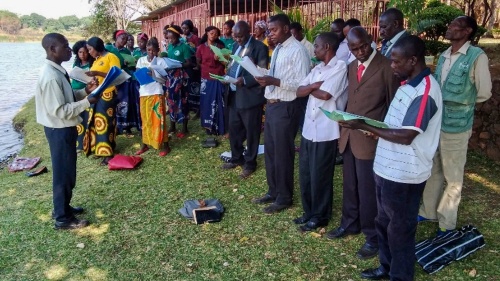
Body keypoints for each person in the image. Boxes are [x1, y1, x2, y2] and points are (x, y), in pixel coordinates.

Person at [342, 35, 442, 281]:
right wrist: (377, 130)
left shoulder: (426, 90)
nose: (392, 66)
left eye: (396, 62)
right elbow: (394, 125)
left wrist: (365, 125)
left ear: (413, 60)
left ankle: (400, 275)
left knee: (400, 230)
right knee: (383, 222)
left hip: (405, 174)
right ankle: (386, 268)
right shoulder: (406, 83)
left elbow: (407, 135)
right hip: (386, 168)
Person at [326, 27, 399, 260]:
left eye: (363, 46)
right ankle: (350, 223)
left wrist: (380, 133)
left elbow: (392, 105)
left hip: (370, 138)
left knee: (369, 191)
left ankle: (372, 236)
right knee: (350, 184)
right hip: (348, 135)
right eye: (354, 48)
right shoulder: (350, 66)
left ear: (372, 41)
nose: (359, 52)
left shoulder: (387, 66)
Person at [418, 16, 492, 235]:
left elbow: (484, 92)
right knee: (434, 169)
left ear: (467, 31)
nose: (449, 29)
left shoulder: (476, 57)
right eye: (449, 25)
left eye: (454, 26)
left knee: (453, 176)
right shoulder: (444, 56)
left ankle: (446, 223)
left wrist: (462, 104)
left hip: (457, 126)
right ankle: (428, 210)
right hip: (437, 123)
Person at [35, 33, 98, 229]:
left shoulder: (57, 71)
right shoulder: (51, 76)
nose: (70, 50)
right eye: (65, 46)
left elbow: (66, 99)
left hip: (62, 127)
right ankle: (62, 218)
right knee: (63, 174)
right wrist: (87, 102)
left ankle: (64, 207)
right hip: (59, 129)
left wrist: (83, 93)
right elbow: (60, 111)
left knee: (67, 172)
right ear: (52, 49)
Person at [254, 14, 311, 214]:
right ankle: (273, 190)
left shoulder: (298, 51)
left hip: (287, 107)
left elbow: (303, 85)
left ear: (286, 28)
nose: (270, 34)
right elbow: (277, 75)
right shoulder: (278, 48)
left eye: (274, 30)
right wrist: (262, 74)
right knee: (270, 151)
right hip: (272, 105)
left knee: (283, 153)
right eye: (269, 30)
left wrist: (275, 82)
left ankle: (284, 197)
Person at [294, 32, 348, 232]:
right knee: (306, 173)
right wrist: (312, 86)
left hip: (326, 130)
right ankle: (309, 212)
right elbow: (298, 91)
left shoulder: (340, 67)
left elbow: (326, 94)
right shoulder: (317, 68)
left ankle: (321, 215)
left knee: (321, 175)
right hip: (309, 129)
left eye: (316, 46)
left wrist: (310, 88)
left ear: (326, 47)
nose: (313, 49)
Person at [222, 21, 269, 179]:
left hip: (250, 96)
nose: (237, 39)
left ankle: (250, 163)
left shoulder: (260, 47)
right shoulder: (235, 46)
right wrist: (227, 77)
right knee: (234, 129)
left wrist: (246, 80)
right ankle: (236, 158)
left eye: (240, 36)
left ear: (249, 32)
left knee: (252, 131)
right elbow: (233, 65)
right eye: (235, 36)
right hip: (234, 94)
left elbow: (261, 73)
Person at [78, 37, 121, 165]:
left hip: (108, 93)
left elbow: (117, 75)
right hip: (97, 93)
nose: (89, 52)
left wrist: (97, 73)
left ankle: (107, 153)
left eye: (90, 49)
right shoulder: (97, 60)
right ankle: (98, 148)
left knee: (105, 121)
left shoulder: (111, 57)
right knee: (96, 121)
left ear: (97, 47)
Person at [135, 37, 171, 157]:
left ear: (158, 50)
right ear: (146, 49)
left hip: (156, 92)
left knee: (159, 119)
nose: (151, 53)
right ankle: (145, 144)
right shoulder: (140, 60)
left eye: (154, 51)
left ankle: (165, 145)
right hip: (144, 93)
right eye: (149, 50)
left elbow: (165, 79)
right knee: (145, 120)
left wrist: (154, 75)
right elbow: (137, 76)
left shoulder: (161, 62)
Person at [196, 26, 226, 136]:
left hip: (218, 77)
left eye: (216, 34)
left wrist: (220, 59)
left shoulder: (221, 46)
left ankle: (220, 126)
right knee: (207, 102)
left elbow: (226, 62)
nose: (214, 35)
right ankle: (208, 126)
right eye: (212, 33)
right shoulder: (200, 48)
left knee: (219, 102)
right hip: (206, 78)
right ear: (207, 33)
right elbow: (198, 62)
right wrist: (206, 67)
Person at [164, 25, 192, 138]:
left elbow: (189, 62)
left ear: (177, 36)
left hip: (181, 77)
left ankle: (184, 128)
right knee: (171, 101)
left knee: (183, 101)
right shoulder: (169, 47)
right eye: (168, 38)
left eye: (172, 38)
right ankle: (173, 126)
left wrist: (179, 65)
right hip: (170, 78)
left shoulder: (184, 47)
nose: (170, 40)